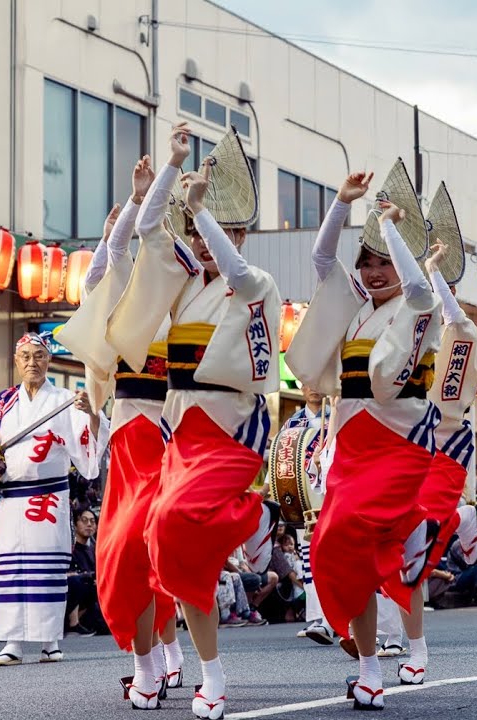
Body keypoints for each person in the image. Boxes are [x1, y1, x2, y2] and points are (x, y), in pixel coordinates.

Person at [119, 130, 281, 720]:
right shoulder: (183, 286)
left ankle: (249, 514)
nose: (207, 244)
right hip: (183, 431)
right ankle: (210, 673)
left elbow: (235, 272)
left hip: (234, 430)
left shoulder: (256, 285)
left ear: (241, 236)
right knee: (163, 539)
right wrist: (172, 168)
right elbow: (145, 232)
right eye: (199, 235)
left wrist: (202, 209)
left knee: (173, 520)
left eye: (224, 233)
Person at [289, 170, 444, 711]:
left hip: (399, 445)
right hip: (350, 445)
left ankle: (411, 642)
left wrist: (387, 228)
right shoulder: (356, 311)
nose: (375, 272)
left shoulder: (419, 310)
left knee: (358, 539)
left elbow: (420, 286)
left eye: (384, 262)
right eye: (369, 262)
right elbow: (322, 262)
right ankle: (370, 667)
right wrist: (341, 204)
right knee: (346, 547)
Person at [73, 142, 189, 708]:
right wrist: (133, 199)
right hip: (127, 435)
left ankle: (166, 655)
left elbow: (142, 238)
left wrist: (153, 198)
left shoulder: (185, 295)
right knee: (122, 549)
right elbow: (104, 266)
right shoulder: (121, 299)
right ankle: (150, 659)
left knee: (158, 546)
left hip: (171, 438)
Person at [0, 332, 108, 667]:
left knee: (48, 569)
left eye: (38, 356)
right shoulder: (2, 403)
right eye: (25, 356)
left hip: (51, 496)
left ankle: (50, 640)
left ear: (48, 360)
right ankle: (12, 642)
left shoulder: (66, 400)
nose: (32, 362)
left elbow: (90, 447)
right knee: (12, 568)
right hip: (12, 498)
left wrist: (93, 415)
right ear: (16, 361)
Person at [391, 235, 477, 686]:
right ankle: (374, 640)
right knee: (384, 544)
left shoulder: (448, 339)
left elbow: (457, 321)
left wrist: (431, 270)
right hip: (395, 446)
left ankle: (412, 649)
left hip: (439, 445)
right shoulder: (392, 330)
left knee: (412, 553)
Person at [284, 384, 338, 646]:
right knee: (309, 559)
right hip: (305, 498)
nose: (314, 389)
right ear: (302, 387)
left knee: (332, 558)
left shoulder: (335, 416)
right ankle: (318, 617)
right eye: (309, 383)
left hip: (331, 495)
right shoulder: (294, 423)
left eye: (319, 383)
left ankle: (336, 618)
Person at [66, 509, 104, 636]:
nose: (89, 524)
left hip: (89, 598)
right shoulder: (68, 548)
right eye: (84, 520)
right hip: (69, 593)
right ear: (75, 524)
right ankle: (72, 623)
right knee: (78, 581)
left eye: (93, 521)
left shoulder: (94, 550)